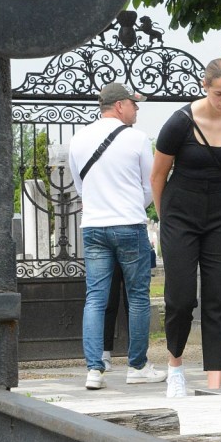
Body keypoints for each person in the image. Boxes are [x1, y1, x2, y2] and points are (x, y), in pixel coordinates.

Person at [151, 58, 221, 397]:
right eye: (218, 94)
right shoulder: (179, 122)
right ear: (204, 87)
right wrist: (166, 217)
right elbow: (157, 176)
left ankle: (214, 385)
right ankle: (175, 365)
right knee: (181, 298)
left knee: (220, 297)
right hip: (180, 213)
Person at [69, 82, 166, 390]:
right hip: (128, 223)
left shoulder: (78, 139)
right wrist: (132, 204)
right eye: (133, 104)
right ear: (120, 105)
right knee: (137, 297)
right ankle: (137, 366)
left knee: (95, 298)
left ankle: (94, 369)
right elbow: (150, 184)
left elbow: (80, 186)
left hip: (94, 225)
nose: (136, 110)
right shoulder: (137, 138)